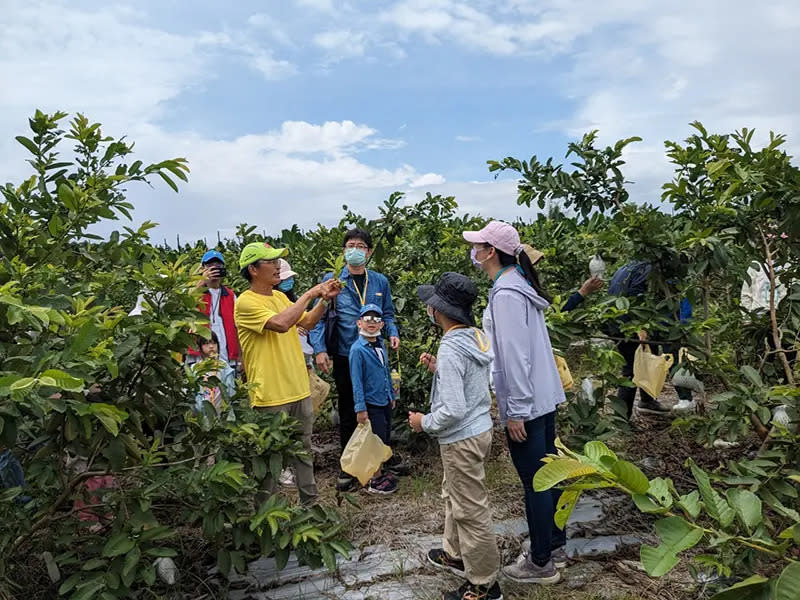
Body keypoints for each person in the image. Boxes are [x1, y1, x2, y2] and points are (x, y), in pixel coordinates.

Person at [464, 221, 565, 585]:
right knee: (549, 474)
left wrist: (516, 410)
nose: (473, 251)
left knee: (536, 481)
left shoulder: (505, 294)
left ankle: (540, 563)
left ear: (491, 252)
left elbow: (514, 357)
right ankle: (552, 544)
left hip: (528, 402)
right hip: (543, 397)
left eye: (478, 246)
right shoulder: (519, 285)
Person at [408, 272, 502, 600]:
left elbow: (452, 410)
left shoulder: (451, 348)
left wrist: (424, 422)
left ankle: (484, 584)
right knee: (455, 496)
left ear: (439, 310)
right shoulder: (473, 337)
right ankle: (455, 553)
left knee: (470, 510)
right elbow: (472, 381)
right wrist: (439, 370)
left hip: (460, 438)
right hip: (479, 429)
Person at [234, 242, 341, 506]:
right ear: (253, 269)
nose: (277, 266)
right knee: (270, 461)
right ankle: (268, 515)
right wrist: (310, 293)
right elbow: (281, 324)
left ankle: (311, 509)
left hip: (298, 389)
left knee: (303, 454)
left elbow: (306, 322)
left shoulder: (280, 297)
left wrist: (324, 301)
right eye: (271, 261)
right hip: (270, 396)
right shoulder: (245, 302)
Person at [309, 228, 407, 492]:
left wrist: (393, 333)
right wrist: (319, 349)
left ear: (369, 252)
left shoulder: (379, 282)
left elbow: (387, 314)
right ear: (343, 252)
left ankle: (379, 461)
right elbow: (318, 319)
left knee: (378, 407)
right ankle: (349, 465)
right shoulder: (332, 282)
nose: (356, 250)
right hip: (345, 354)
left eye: (361, 246)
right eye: (351, 245)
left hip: (375, 355)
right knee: (350, 409)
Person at [607, 261, 693, 417]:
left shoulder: (627, 267)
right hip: (628, 325)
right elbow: (636, 295)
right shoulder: (648, 270)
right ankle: (620, 418)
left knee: (647, 358)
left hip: (618, 321)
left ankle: (647, 401)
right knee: (632, 369)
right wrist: (640, 326)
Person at [349, 304, 398, 495]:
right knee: (374, 440)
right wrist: (360, 408)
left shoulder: (380, 345)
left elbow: (386, 371)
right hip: (371, 402)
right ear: (359, 322)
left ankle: (379, 472)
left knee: (383, 436)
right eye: (367, 319)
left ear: (382, 324)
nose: (372, 323)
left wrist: (391, 395)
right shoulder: (357, 350)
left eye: (376, 320)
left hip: (383, 398)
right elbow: (357, 381)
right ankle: (374, 478)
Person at [187, 250, 241, 368]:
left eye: (218, 265)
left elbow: (237, 327)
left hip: (226, 352)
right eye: (210, 265)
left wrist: (240, 358)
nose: (214, 268)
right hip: (200, 352)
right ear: (202, 269)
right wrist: (202, 282)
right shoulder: (195, 291)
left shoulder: (230, 295)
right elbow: (185, 304)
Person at [193, 331, 235, 416]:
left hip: (221, 412)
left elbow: (230, 392)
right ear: (199, 347)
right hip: (201, 415)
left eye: (214, 343)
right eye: (206, 344)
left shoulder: (224, 367)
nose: (211, 346)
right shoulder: (195, 368)